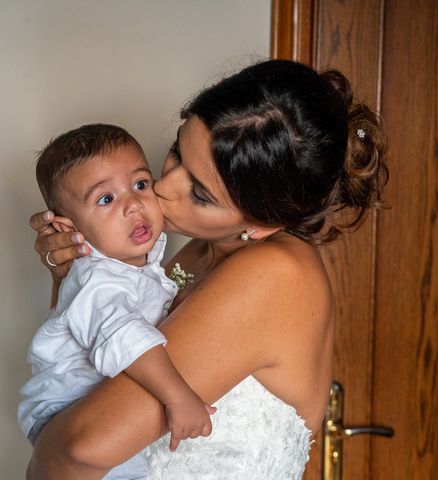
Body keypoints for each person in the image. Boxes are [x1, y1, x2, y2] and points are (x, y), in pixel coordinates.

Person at [27, 59, 388, 479]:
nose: (164, 187)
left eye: (199, 193)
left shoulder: (272, 275)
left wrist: (42, 459)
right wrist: (75, 275)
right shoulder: (200, 251)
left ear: (262, 223)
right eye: (178, 151)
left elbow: (80, 449)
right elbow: (90, 367)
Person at [19, 124, 215, 480]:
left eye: (140, 184)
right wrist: (178, 397)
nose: (134, 205)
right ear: (68, 228)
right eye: (106, 199)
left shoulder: (136, 258)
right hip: (68, 406)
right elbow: (125, 336)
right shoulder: (96, 278)